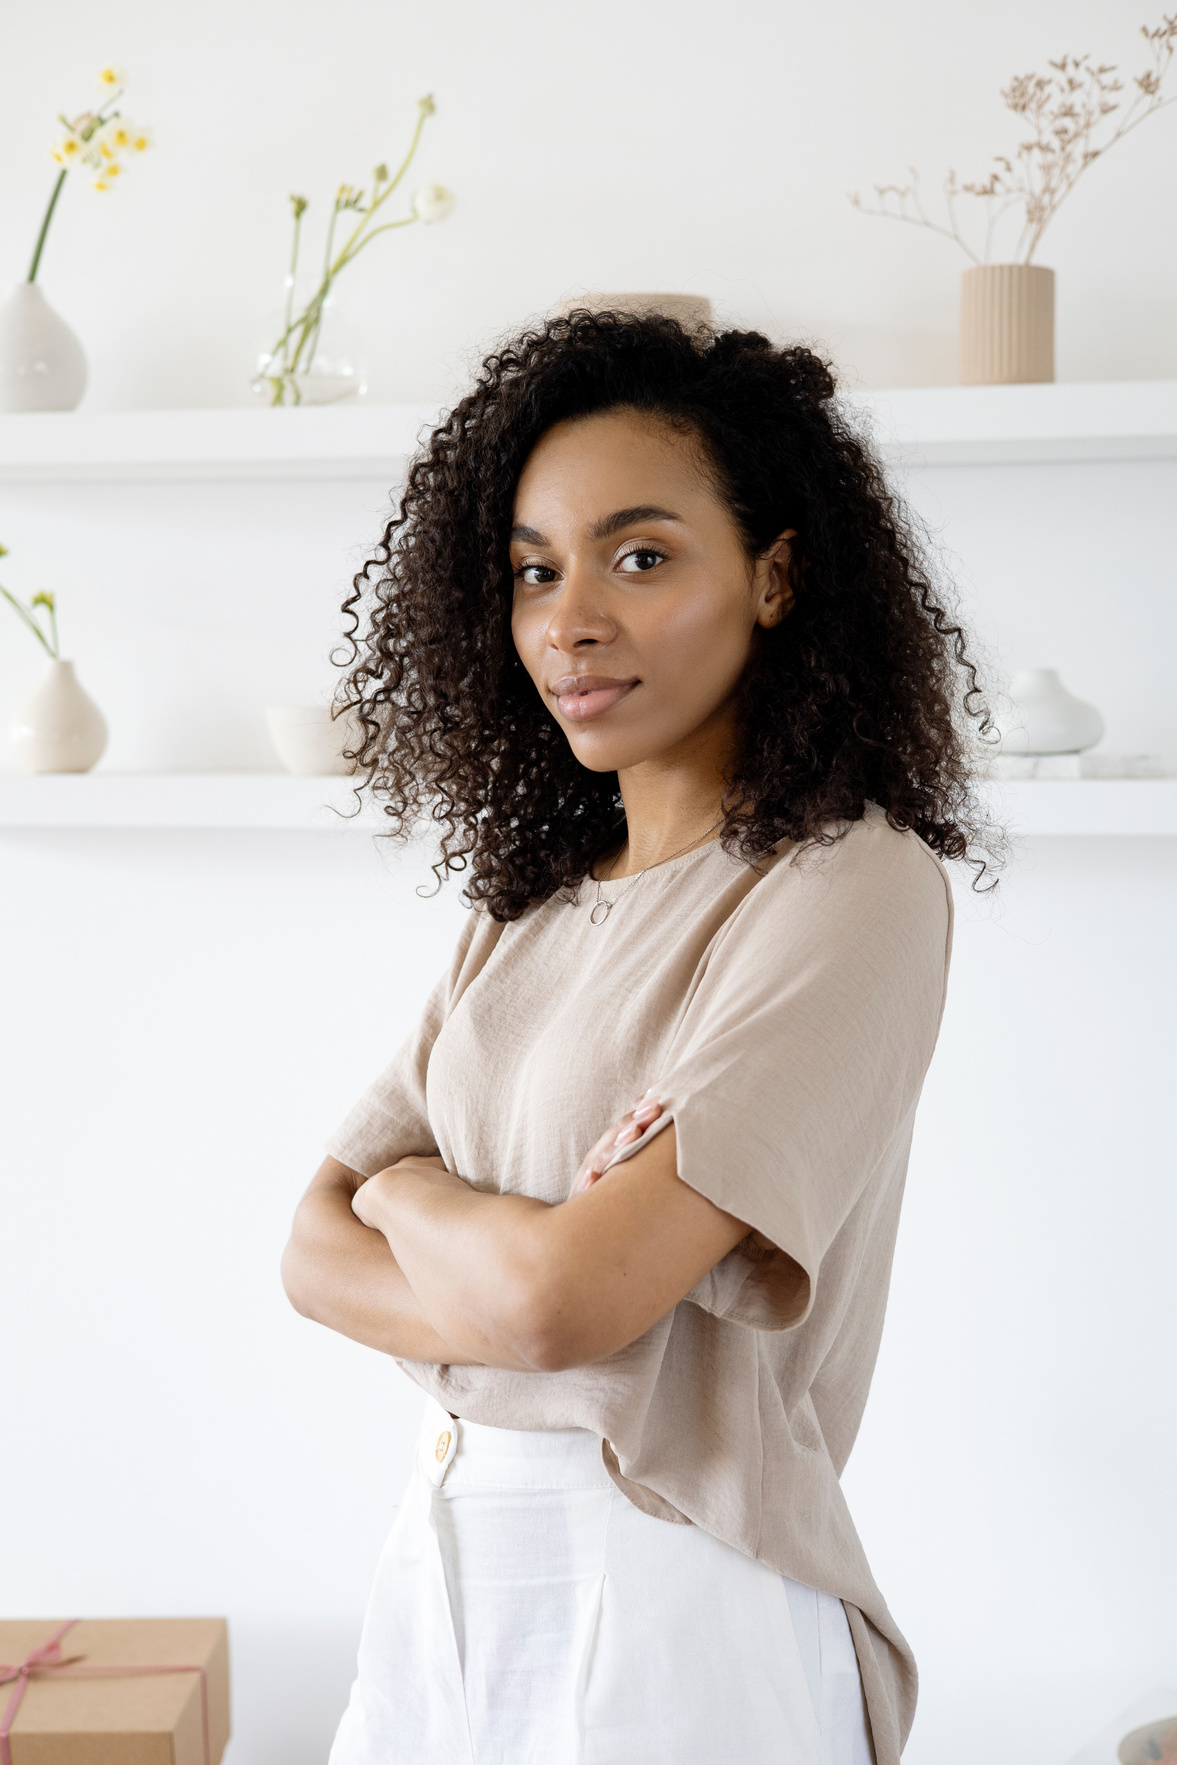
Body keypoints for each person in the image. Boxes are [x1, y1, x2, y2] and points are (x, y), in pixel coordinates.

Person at [280, 311, 996, 1765]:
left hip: (675, 1582)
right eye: (533, 570)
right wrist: (504, 1253)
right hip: (441, 1560)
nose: (569, 618)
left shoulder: (848, 882)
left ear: (777, 575)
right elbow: (310, 1250)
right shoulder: (526, 911)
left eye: (641, 555)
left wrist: (416, 1199)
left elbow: (561, 1304)